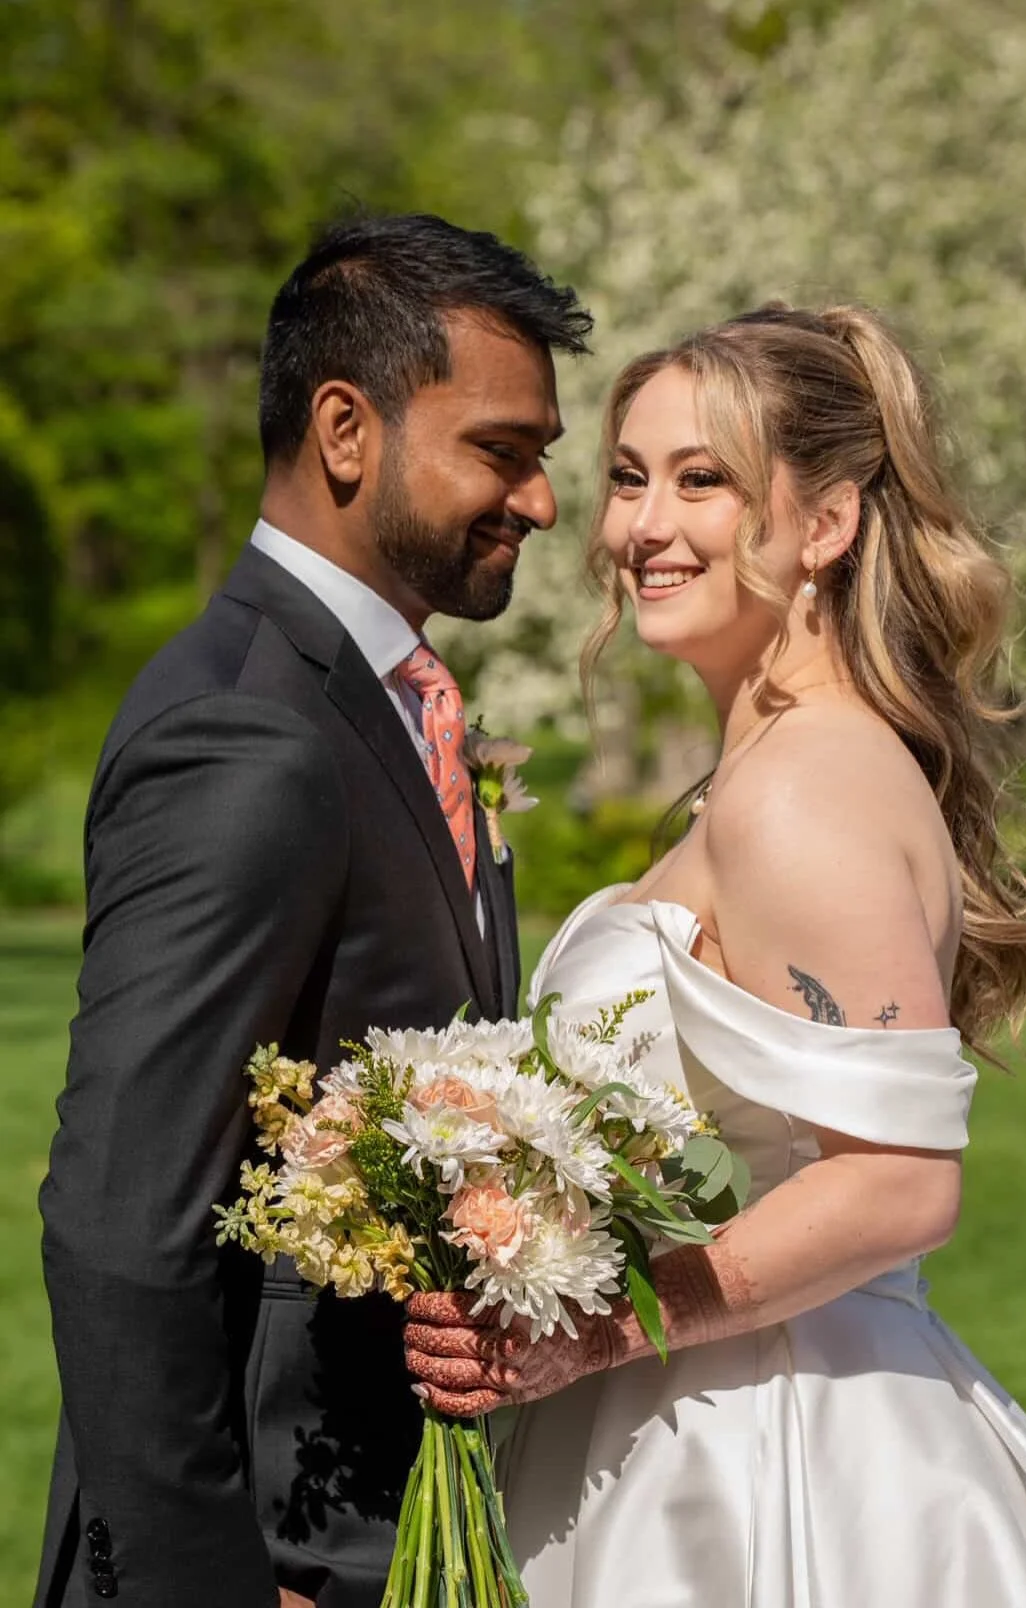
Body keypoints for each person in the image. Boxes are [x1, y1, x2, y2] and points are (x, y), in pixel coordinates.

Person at [403, 304, 1026, 1606]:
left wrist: (597, 1329)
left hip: (768, 1463)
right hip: (687, 1412)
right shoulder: (775, 767)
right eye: (631, 477)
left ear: (824, 522)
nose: (644, 527)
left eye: (702, 480)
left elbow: (895, 1187)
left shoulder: (805, 786)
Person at [33, 212, 590, 1608]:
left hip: (391, 1528)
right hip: (276, 1556)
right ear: (347, 430)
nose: (539, 501)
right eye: (502, 450)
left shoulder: (386, 707)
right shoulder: (245, 734)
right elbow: (122, 1221)